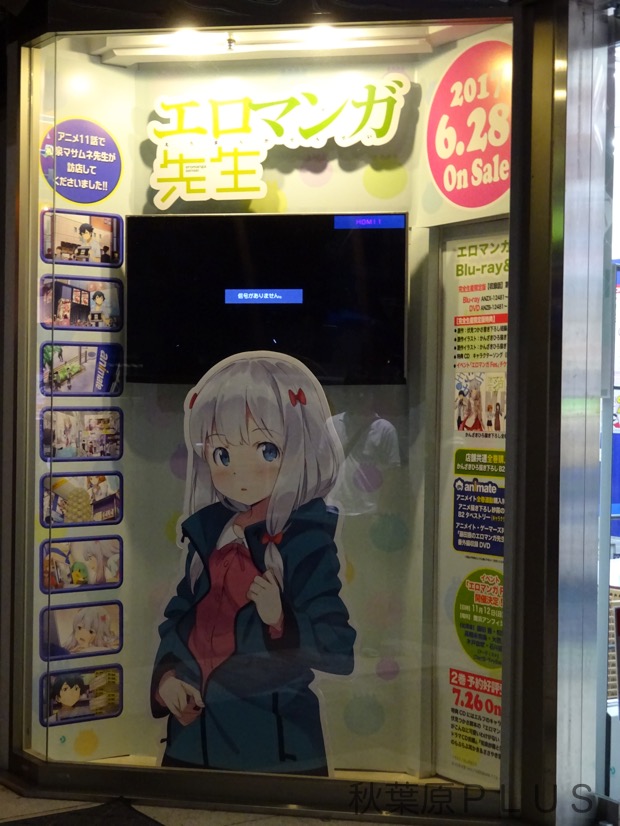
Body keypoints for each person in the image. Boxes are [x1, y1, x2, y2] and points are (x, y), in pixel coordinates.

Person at [151, 351, 355, 774]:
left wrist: (280, 619)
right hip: (192, 738)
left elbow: (338, 647)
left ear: (300, 449)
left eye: (266, 450)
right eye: (222, 455)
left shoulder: (306, 542)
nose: (240, 473)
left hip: (273, 742)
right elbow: (179, 620)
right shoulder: (210, 533)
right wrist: (168, 679)